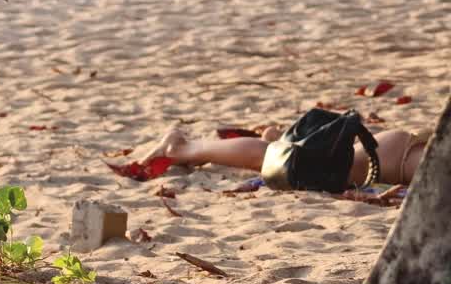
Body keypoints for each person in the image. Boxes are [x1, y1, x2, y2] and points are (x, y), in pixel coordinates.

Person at [141, 123, 429, 186]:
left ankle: (291, 138)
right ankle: (181, 148)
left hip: (398, 153)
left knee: (285, 157)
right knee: (277, 160)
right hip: (389, 160)